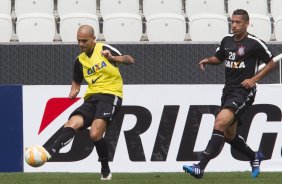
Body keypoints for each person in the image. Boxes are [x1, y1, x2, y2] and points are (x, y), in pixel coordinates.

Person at [183, 9, 276, 179]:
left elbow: (271, 64)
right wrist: (209, 61)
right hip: (228, 91)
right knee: (229, 135)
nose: (234, 25)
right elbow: (220, 58)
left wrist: (254, 80)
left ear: (247, 23)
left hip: (243, 91)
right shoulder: (226, 40)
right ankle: (254, 156)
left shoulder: (255, 43)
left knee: (219, 123)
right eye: (232, 21)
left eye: (238, 22)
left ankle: (200, 166)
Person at [41, 24, 135, 180]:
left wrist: (112, 58)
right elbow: (76, 82)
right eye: (78, 40)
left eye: (84, 41)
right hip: (91, 98)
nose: (80, 44)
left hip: (111, 95)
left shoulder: (104, 49)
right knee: (72, 123)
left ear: (93, 39)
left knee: (95, 133)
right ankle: (50, 152)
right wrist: (73, 90)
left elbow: (130, 60)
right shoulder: (80, 60)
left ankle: (105, 169)